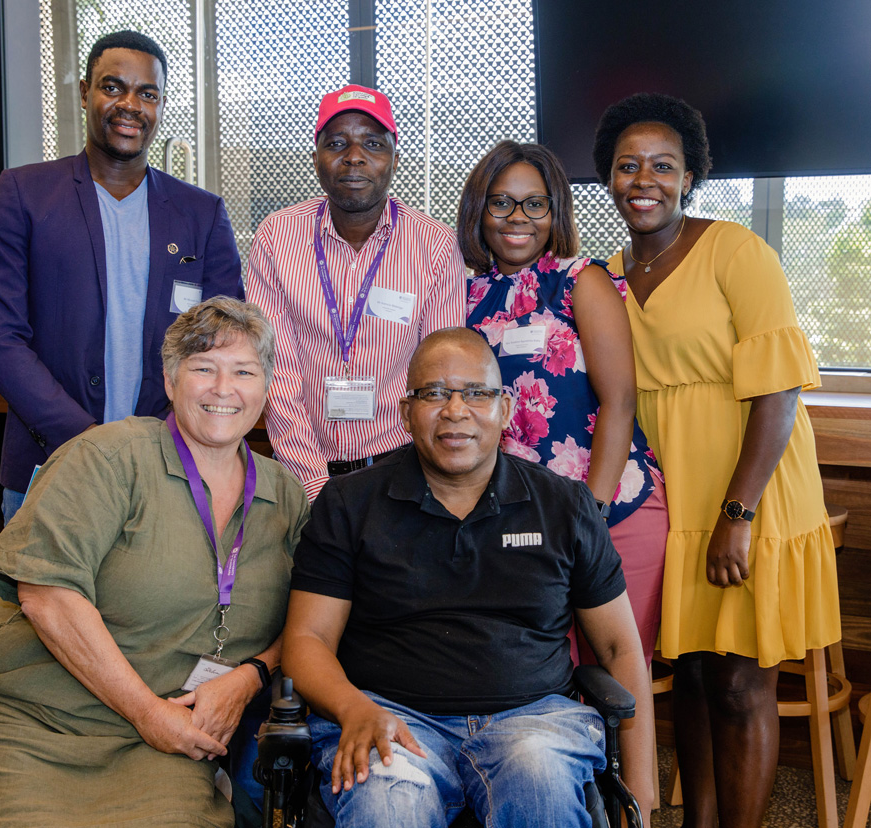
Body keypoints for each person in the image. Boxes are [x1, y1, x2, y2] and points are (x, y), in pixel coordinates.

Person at [0, 298, 309, 828]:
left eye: (244, 371)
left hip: (163, 748)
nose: (224, 388)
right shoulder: (108, 458)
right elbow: (48, 595)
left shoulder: (286, 496)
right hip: (39, 723)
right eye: (204, 368)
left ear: (267, 386)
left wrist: (251, 675)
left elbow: (311, 619)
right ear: (171, 378)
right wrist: (147, 712)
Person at [281, 327, 654, 826]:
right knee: (389, 804)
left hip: (535, 724)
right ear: (406, 411)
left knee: (538, 782)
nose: (455, 410)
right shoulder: (350, 503)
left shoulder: (565, 505)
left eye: (475, 393)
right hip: (388, 717)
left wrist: (643, 791)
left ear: (504, 408)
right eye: (434, 393)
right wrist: (352, 709)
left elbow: (619, 650)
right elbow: (306, 638)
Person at [593, 92, 841, 828]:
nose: (645, 180)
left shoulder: (737, 250)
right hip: (671, 502)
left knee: (738, 684)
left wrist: (739, 512)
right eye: (627, 165)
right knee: (694, 677)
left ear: (691, 176)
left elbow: (779, 390)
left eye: (664, 166)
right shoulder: (606, 273)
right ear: (607, 178)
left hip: (747, 491)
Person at [0, 30, 244, 524]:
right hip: (49, 462)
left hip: (167, 468)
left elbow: (221, 344)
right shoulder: (23, 194)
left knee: (156, 603)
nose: (130, 105)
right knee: (40, 603)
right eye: (113, 87)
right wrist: (87, 439)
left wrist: (157, 441)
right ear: (84, 93)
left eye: (147, 93)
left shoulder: (201, 214)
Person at [459, 141, 666, 668]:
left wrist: (590, 519)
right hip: (518, 522)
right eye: (501, 202)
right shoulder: (461, 294)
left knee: (617, 684)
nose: (518, 218)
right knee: (547, 683)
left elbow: (620, 401)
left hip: (609, 510)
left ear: (555, 212)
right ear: (479, 209)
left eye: (536, 203)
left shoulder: (582, 281)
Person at [247, 84, 466, 501]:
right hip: (299, 471)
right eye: (336, 143)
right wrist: (314, 487)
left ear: (395, 160)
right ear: (316, 159)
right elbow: (276, 369)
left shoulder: (435, 245)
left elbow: (440, 374)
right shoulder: (276, 237)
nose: (353, 156)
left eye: (372, 143)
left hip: (404, 470)